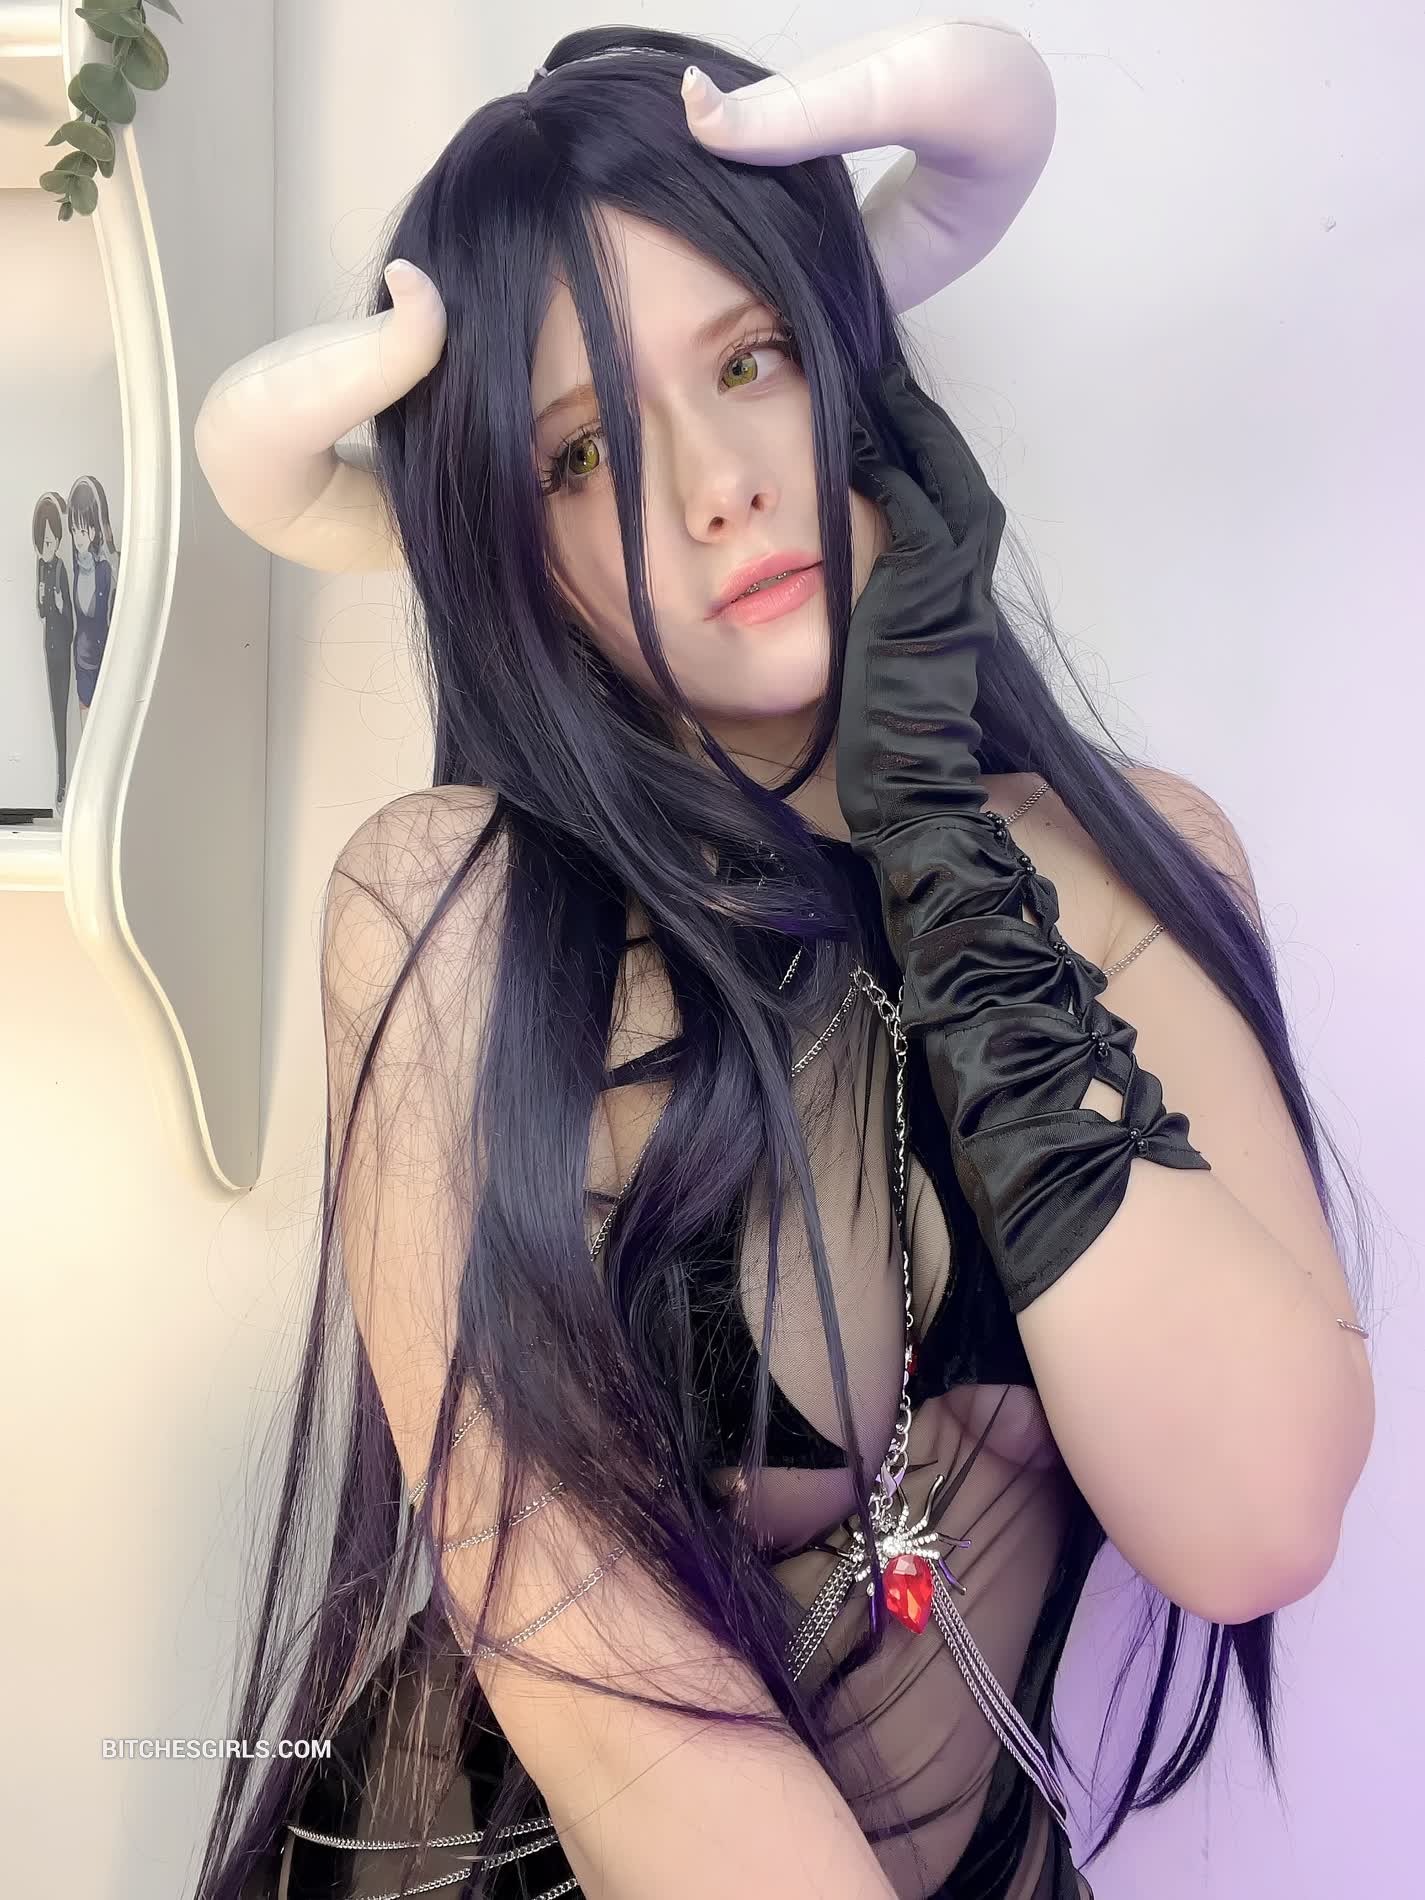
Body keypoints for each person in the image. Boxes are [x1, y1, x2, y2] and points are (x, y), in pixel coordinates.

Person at [190, 23, 1375, 1900]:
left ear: (854, 379)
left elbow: (1250, 1522)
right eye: (585, 453)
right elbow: (602, 1702)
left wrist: (928, 824)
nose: (715, 489)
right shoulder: (452, 910)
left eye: (748, 359)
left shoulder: (1136, 861)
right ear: (522, 551)